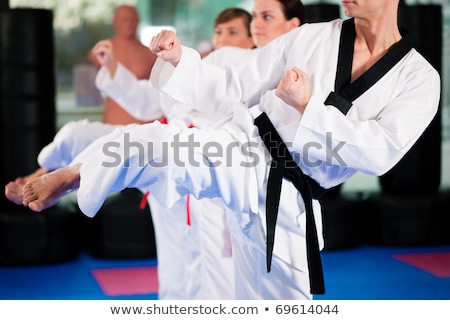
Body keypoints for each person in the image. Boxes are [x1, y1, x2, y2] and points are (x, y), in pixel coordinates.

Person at [23, 0, 438, 300]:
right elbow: (238, 83)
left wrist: (307, 107)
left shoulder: (420, 79)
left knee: (278, 304)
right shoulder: (313, 36)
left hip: (295, 193)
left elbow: (381, 152)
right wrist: (182, 60)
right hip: (247, 146)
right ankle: (77, 174)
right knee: (159, 141)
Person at [8, 2, 305, 299]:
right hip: (173, 162)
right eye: (219, 31)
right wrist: (113, 68)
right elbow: (145, 100)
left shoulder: (266, 72)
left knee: (215, 272)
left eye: (233, 31)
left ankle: (70, 176)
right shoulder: (197, 67)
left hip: (213, 168)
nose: (224, 38)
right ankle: (49, 171)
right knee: (176, 264)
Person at [4, 4, 157, 204]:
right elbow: (140, 95)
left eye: (132, 19)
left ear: (138, 21)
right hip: (117, 122)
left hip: (145, 132)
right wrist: (110, 65)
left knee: (105, 154)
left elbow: (147, 99)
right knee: (73, 133)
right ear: (114, 22)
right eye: (123, 19)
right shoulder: (105, 50)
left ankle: (60, 184)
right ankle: (42, 173)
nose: (128, 24)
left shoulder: (150, 55)